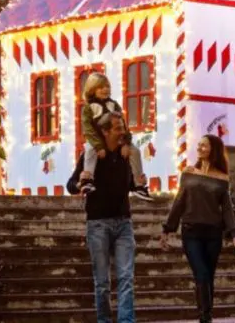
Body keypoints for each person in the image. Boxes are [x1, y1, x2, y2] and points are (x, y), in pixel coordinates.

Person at [160, 134, 235, 323]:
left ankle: (206, 314)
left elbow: (227, 210)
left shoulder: (222, 178)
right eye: (199, 145)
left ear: (213, 149)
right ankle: (205, 318)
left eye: (204, 145)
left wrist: (234, 235)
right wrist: (167, 229)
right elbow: (179, 202)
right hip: (191, 233)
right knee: (202, 273)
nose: (200, 148)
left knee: (208, 277)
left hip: (213, 234)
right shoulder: (189, 172)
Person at [67, 113, 137, 323]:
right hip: (98, 224)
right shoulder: (91, 156)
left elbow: (130, 184)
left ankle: (126, 320)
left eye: (122, 128)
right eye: (117, 128)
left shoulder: (125, 155)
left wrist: (139, 181)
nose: (122, 132)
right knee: (102, 282)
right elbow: (70, 185)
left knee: (126, 278)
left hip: (124, 222)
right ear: (105, 131)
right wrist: (80, 183)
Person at [79, 73, 153, 201]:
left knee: (135, 151)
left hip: (116, 139)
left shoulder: (113, 105)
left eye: (107, 86)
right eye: (101, 87)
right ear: (92, 89)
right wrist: (99, 146)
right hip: (98, 139)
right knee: (90, 150)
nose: (105, 89)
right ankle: (87, 180)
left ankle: (139, 185)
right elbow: (88, 129)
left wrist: (125, 143)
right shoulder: (88, 108)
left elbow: (122, 124)